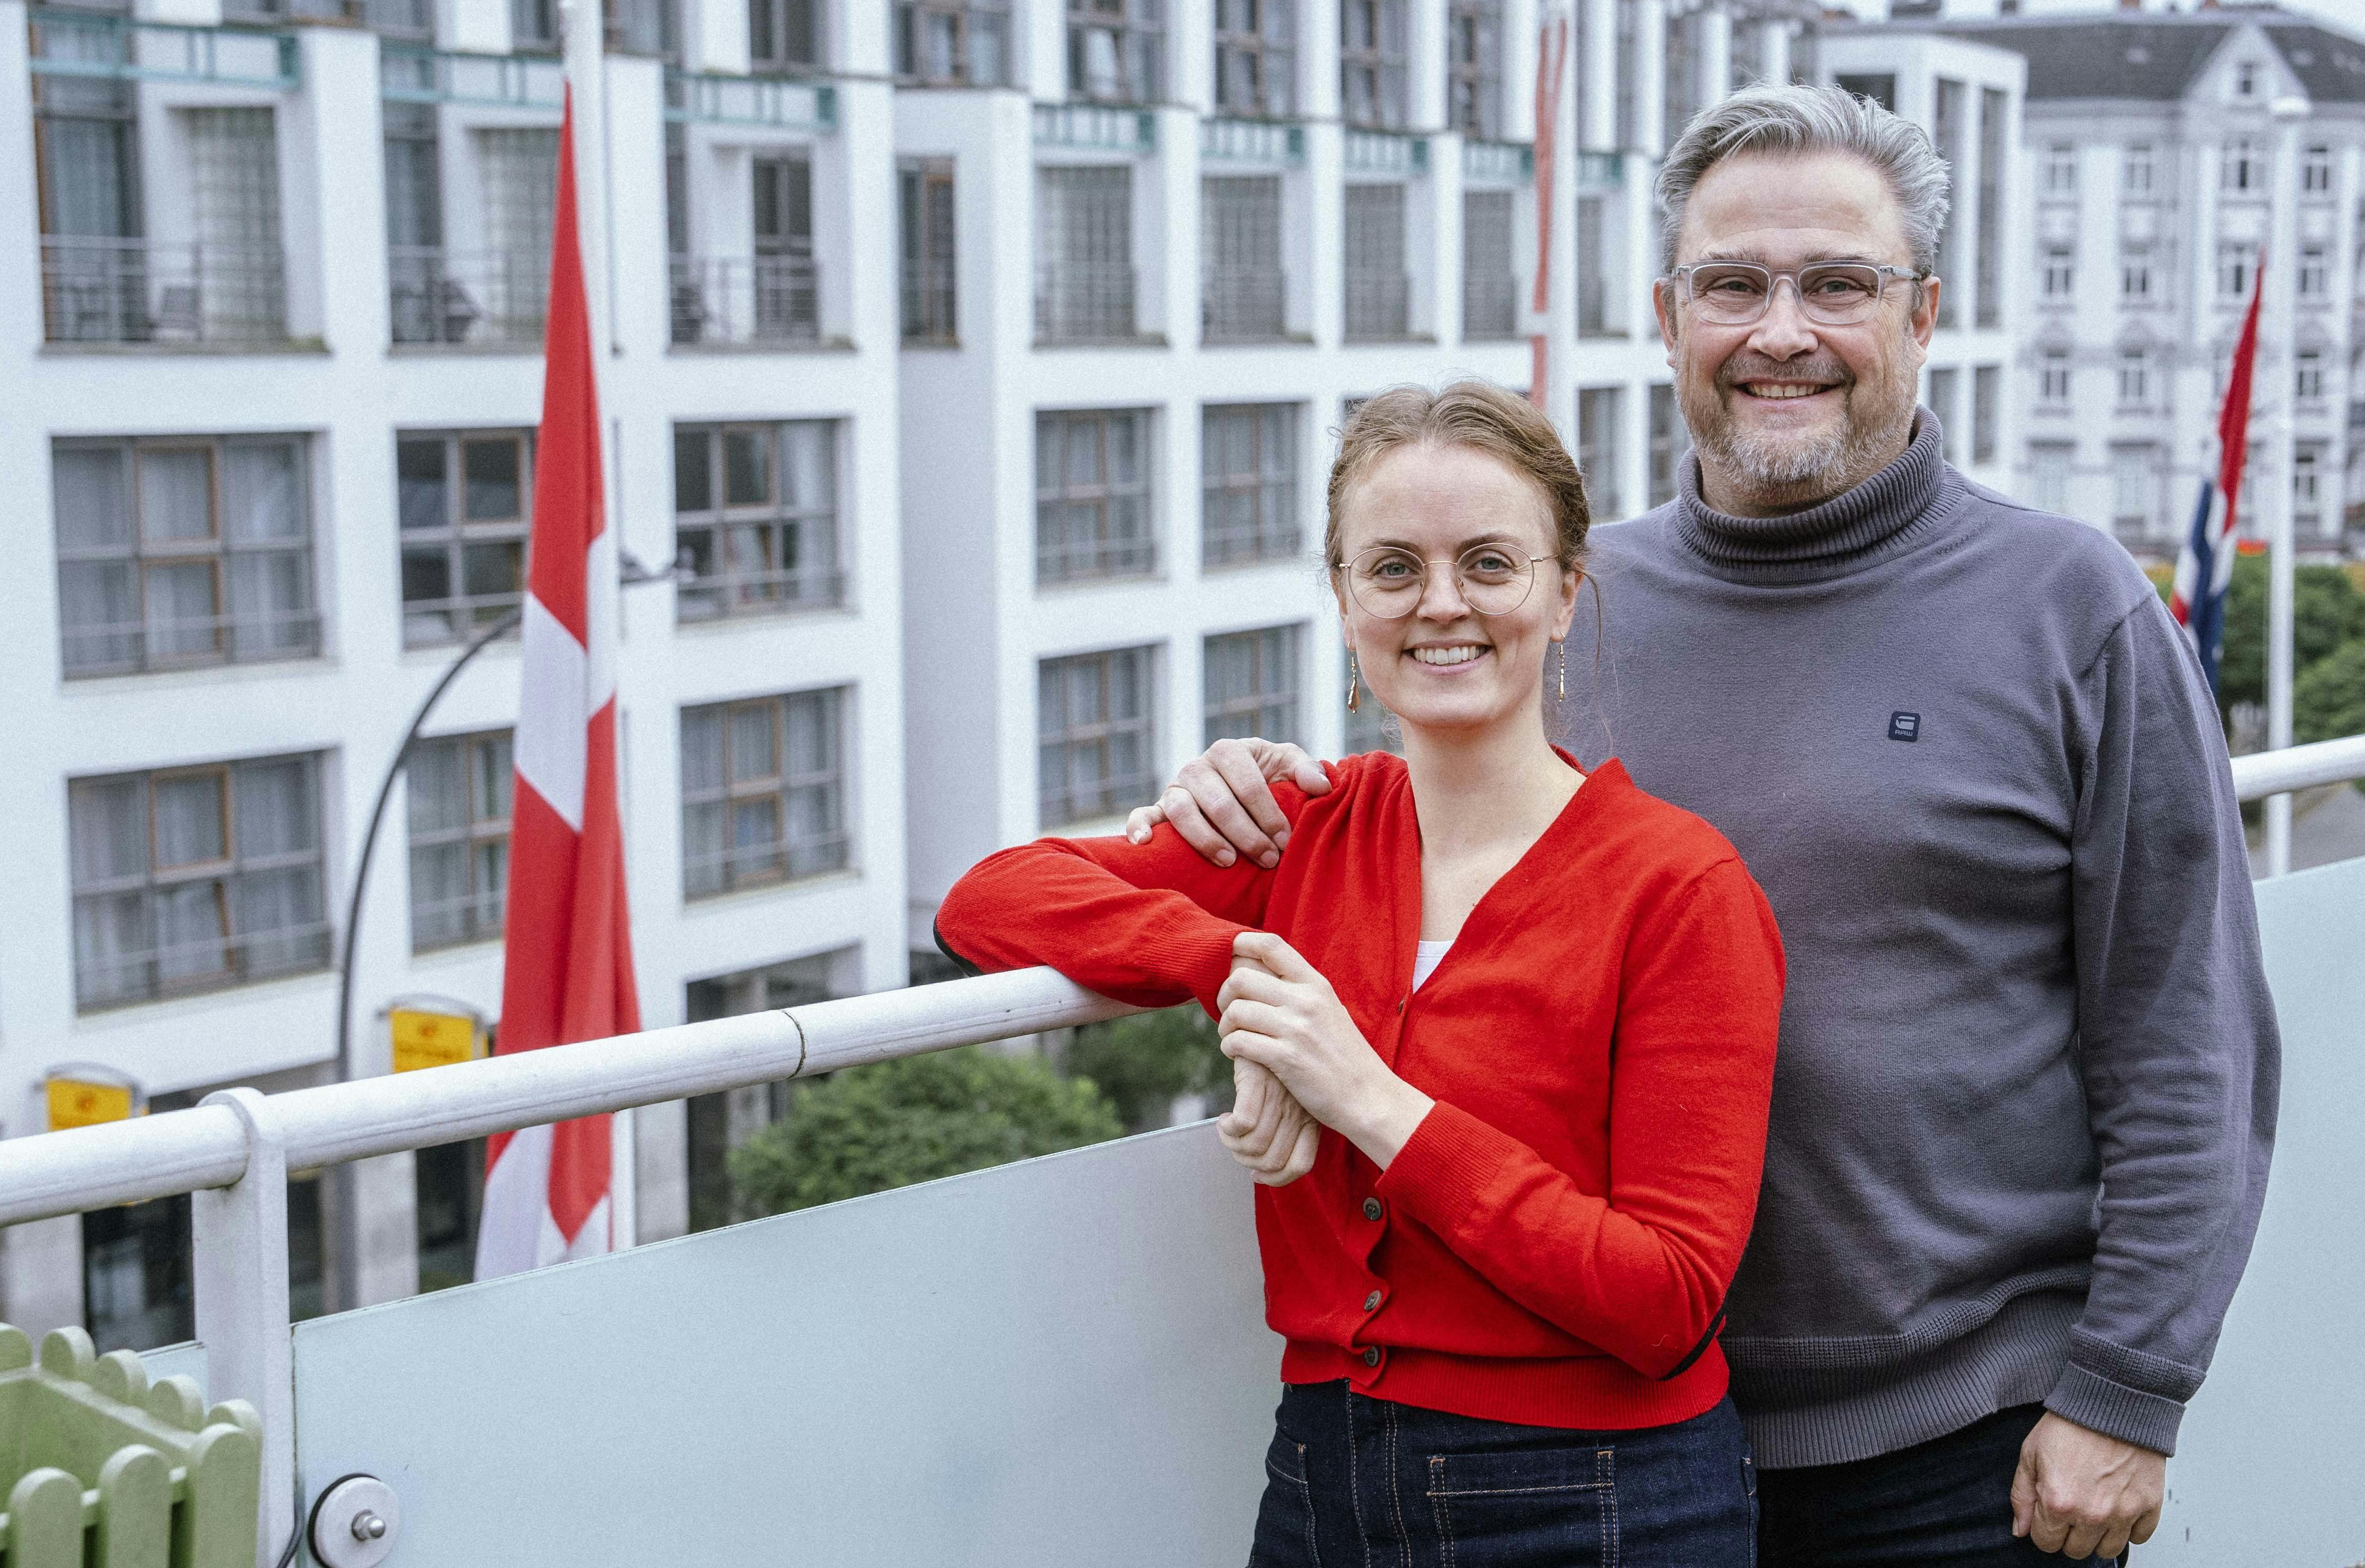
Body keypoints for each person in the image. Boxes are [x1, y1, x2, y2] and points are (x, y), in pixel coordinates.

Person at [1130, 85, 2281, 1566]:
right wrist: (1226, 803)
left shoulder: (2077, 611)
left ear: (1923, 312)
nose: (1781, 331)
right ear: (1669, 315)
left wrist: (2132, 1386)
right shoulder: (1559, 605)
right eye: (1734, 285)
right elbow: (1415, 886)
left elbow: (2189, 1038)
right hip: (1593, 1448)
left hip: (1959, 1451)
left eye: (1837, 285)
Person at [935, 382, 1787, 1566]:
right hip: (1323, 1472)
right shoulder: (1308, 826)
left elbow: (1666, 1298)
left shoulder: (1681, 886)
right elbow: (989, 900)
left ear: (1564, 591)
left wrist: (1369, 1098)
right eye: (1393, 567)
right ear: (1344, 602)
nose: (1441, 603)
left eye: (1490, 561)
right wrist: (1241, 969)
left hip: (1599, 1498)